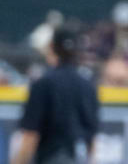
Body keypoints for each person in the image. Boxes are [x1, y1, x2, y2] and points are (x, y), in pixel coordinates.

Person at [11, 27, 100, 164]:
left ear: (52, 47)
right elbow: (92, 139)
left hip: (50, 158)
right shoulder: (88, 85)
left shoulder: (43, 84)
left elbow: (31, 135)